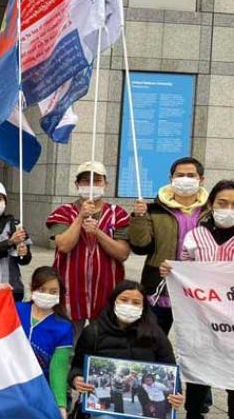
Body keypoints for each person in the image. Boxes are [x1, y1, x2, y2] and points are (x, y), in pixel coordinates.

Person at [160, 179, 234, 419]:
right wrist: (172, 271)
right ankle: (194, 413)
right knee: (199, 373)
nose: (228, 209)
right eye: (222, 203)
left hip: (231, 323)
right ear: (211, 204)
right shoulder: (196, 235)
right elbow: (186, 269)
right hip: (202, 317)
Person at [69, 281, 184, 418]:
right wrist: (76, 379)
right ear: (113, 302)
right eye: (124, 300)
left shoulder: (156, 334)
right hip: (102, 411)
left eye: (136, 302)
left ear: (143, 307)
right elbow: (77, 367)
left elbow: (171, 370)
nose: (129, 305)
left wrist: (177, 394)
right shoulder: (93, 332)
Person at [46, 161, 131, 338]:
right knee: (67, 342)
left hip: (106, 290)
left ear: (105, 184)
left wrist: (98, 232)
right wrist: (80, 217)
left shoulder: (118, 214)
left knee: (103, 342)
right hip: (70, 291)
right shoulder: (63, 212)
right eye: (85, 181)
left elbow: (122, 253)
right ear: (77, 184)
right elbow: (64, 246)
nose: (91, 185)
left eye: (97, 181)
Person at [128, 157, 208, 334]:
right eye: (180, 175)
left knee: (194, 342)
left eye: (191, 175)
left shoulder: (211, 212)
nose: (185, 179)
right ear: (171, 178)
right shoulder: (154, 209)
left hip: (198, 290)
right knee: (152, 339)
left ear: (201, 179)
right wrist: (139, 218)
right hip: (159, 288)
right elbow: (140, 247)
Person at [15, 267, 73, 418]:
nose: (47, 295)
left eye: (53, 291)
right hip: (11, 382)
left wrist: (61, 406)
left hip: (41, 388)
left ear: (60, 294)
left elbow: (58, 369)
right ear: (32, 288)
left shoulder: (64, 327)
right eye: (42, 289)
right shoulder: (16, 310)